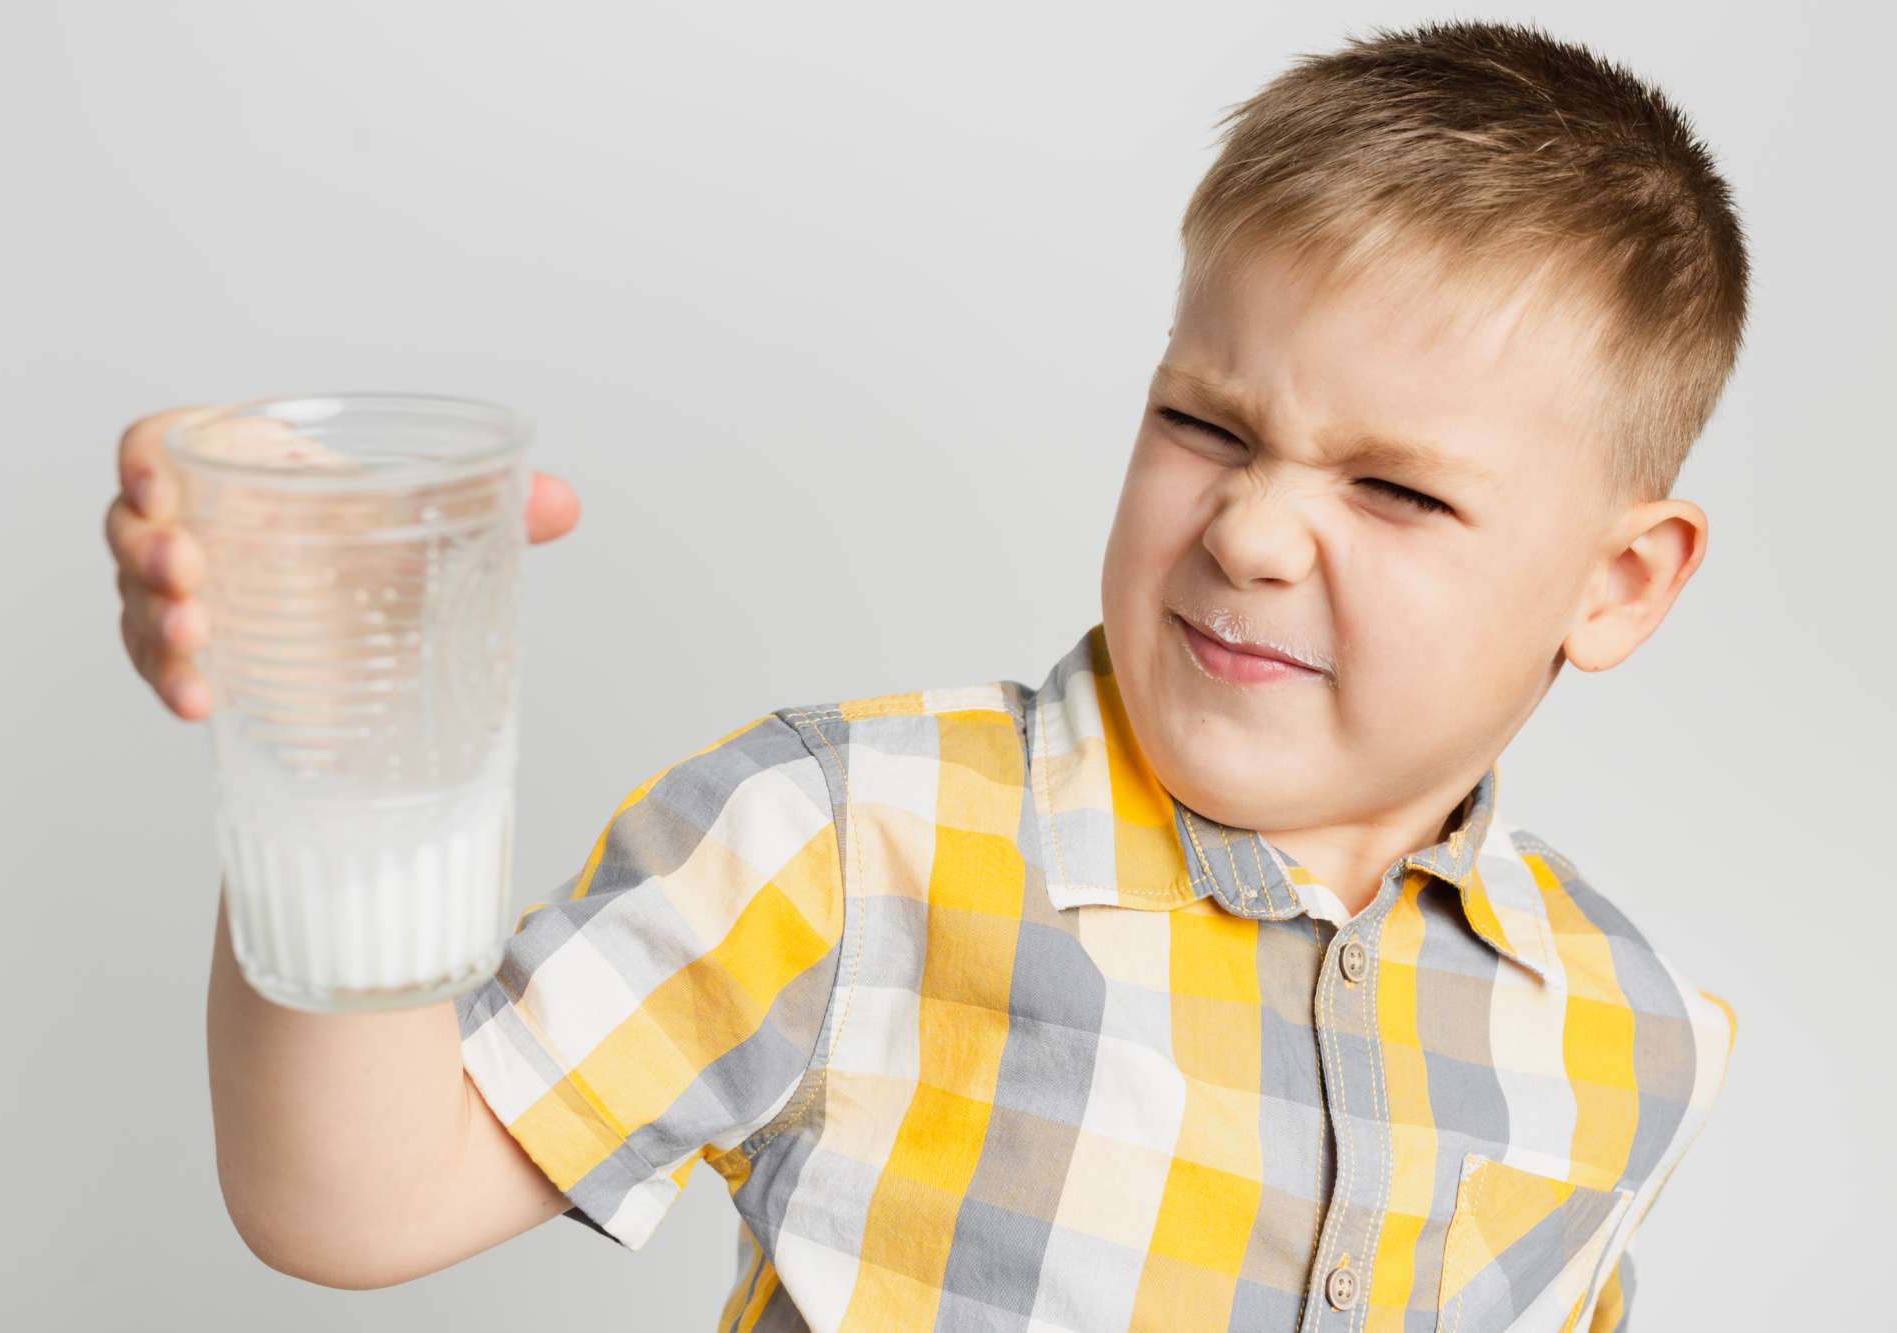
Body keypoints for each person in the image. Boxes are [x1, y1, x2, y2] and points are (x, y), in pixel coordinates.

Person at [101, 19, 1743, 1331]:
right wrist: (328, 723)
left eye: (1393, 489)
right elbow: (347, 1199)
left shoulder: (1634, 1031)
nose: (1249, 532)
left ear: (1618, 582)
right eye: (1205, 425)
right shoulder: (845, 836)